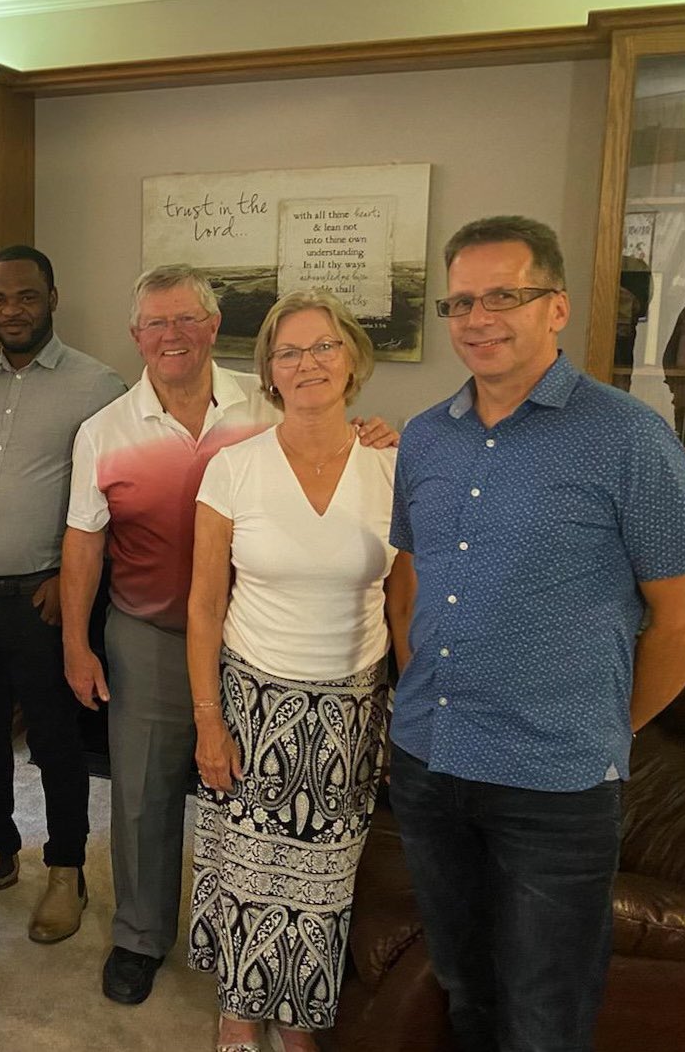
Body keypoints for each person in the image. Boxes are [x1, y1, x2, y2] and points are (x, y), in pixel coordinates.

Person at [388, 215, 685, 1052]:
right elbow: (412, 582)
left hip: (554, 786)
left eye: (503, 297)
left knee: (544, 1019)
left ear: (556, 307)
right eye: (460, 302)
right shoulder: (425, 437)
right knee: (464, 989)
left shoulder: (629, 438)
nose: (477, 318)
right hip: (428, 764)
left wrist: (606, 729)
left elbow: (680, 622)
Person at [62, 265, 395, 1005]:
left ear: (214, 327)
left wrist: (374, 433)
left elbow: (329, 448)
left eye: (187, 318)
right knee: (143, 794)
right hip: (149, 631)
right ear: (136, 336)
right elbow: (83, 540)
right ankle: (140, 936)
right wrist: (76, 645)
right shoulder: (104, 431)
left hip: (253, 638)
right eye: (156, 322)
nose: (172, 335)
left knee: (245, 797)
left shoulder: (265, 399)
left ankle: (265, 949)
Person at [186, 290, 413, 1052]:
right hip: (252, 694)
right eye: (288, 352)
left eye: (323, 346)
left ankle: (295, 1016)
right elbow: (204, 605)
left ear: (352, 359)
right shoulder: (233, 470)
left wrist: (407, 715)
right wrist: (208, 720)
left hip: (353, 704)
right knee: (246, 864)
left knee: (324, 876)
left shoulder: (394, 468)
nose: (307, 362)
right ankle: (238, 1008)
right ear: (270, 372)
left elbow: (404, 606)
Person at [0, 245, 125, 944]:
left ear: (52, 299)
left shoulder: (98, 385)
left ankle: (66, 869)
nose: (11, 310)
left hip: (45, 599)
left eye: (26, 296)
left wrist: (66, 581)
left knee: (55, 742)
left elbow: (120, 496)